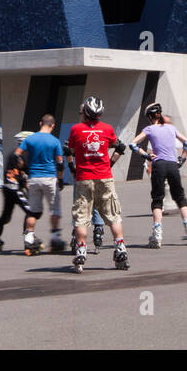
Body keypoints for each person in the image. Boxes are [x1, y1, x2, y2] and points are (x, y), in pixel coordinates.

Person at [64, 96, 129, 273]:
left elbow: (68, 150)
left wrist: (72, 168)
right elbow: (120, 147)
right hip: (105, 177)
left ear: (85, 112)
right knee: (113, 215)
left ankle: (81, 251)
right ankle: (120, 248)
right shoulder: (107, 129)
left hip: (84, 178)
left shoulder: (76, 129)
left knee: (82, 217)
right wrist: (110, 163)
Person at [130, 103, 187, 247]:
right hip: (172, 165)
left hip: (159, 165)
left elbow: (133, 144)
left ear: (150, 116)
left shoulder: (149, 129)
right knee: (180, 197)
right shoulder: (171, 128)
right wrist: (182, 159)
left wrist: (147, 156)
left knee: (157, 199)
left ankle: (157, 235)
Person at [14, 115, 66, 254]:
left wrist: (21, 170)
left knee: (33, 210)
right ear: (53, 126)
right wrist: (60, 180)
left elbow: (17, 155)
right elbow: (60, 163)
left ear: (40, 123)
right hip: (50, 178)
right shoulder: (55, 141)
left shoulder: (30, 139)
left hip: (33, 179)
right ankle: (55, 238)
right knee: (54, 209)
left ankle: (29, 238)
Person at [0, 130, 32, 253]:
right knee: (31, 212)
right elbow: (22, 175)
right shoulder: (23, 155)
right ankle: (29, 238)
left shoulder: (16, 153)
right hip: (15, 189)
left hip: (8, 188)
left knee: (6, 216)